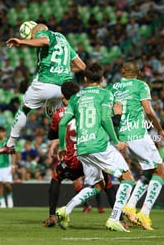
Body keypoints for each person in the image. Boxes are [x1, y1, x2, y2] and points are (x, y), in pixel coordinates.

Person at [55, 63, 135, 232]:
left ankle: (66, 209)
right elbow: (106, 119)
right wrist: (116, 141)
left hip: (82, 148)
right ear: (102, 78)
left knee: (97, 185)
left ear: (85, 79)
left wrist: (62, 146)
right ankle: (114, 218)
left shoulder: (76, 97)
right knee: (127, 179)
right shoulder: (105, 94)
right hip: (99, 145)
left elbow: (62, 123)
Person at [0, 23, 86, 154]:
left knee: (25, 108)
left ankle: (10, 144)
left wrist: (21, 42)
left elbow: (44, 41)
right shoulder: (63, 40)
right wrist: (64, 70)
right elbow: (82, 66)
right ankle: (68, 143)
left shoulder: (44, 34)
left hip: (45, 83)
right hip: (64, 87)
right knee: (57, 114)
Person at [43, 80, 119, 227]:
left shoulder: (59, 114)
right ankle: (119, 218)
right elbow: (106, 122)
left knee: (56, 177)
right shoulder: (90, 107)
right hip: (91, 155)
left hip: (73, 160)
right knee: (107, 183)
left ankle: (52, 216)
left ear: (63, 96)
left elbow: (51, 135)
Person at [107, 60, 164, 231]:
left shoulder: (112, 88)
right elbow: (148, 111)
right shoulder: (141, 85)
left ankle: (131, 206)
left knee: (150, 170)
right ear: (139, 72)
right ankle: (145, 213)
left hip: (122, 136)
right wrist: (159, 129)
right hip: (138, 134)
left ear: (123, 71)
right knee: (161, 173)